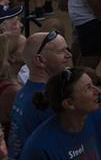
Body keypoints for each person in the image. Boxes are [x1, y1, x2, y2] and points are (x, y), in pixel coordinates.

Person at [7, 31, 73, 159]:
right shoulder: (48, 100)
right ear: (40, 60)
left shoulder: (23, 91)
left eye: (67, 50)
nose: (69, 55)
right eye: (61, 51)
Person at [19, 67, 101, 160]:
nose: (98, 91)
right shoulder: (39, 148)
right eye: (88, 88)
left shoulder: (95, 116)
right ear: (69, 103)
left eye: (93, 84)